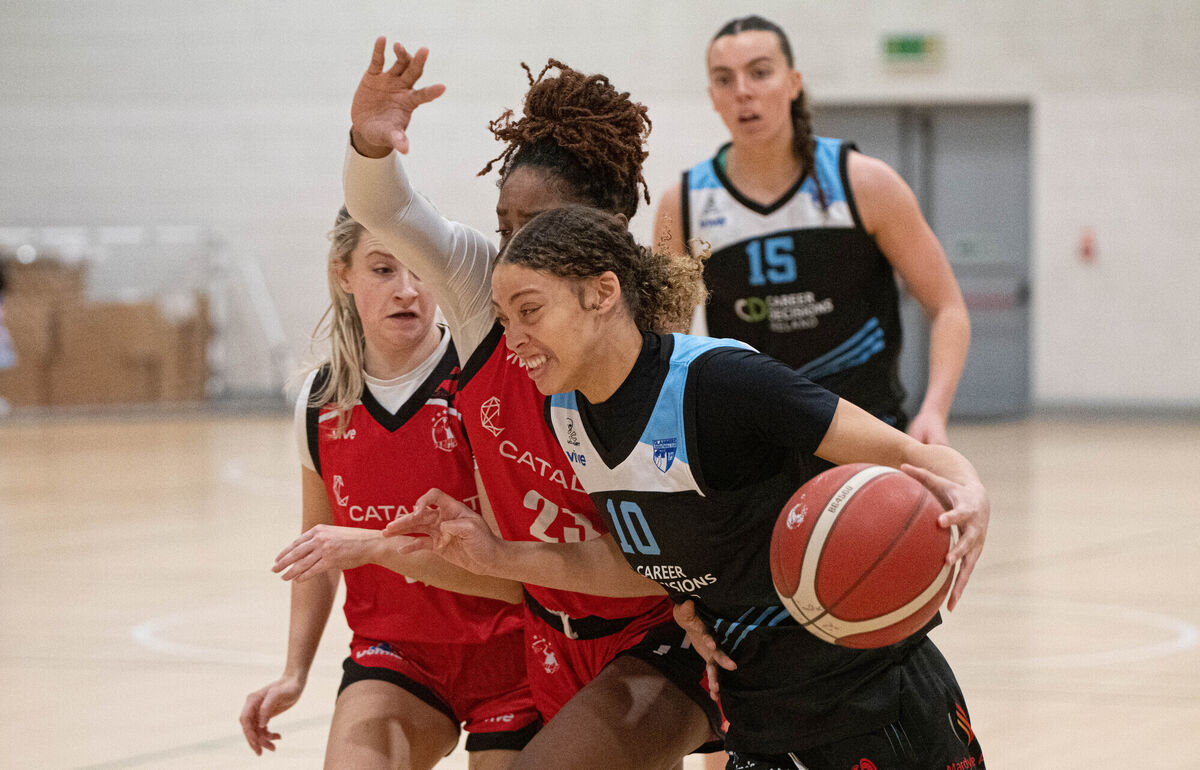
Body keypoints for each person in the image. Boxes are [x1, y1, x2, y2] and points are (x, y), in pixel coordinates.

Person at [393, 205, 989, 770]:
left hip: (870, 693)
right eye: (504, 320)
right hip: (757, 710)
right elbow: (637, 564)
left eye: (530, 311)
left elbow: (908, 453)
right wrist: (495, 555)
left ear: (603, 294)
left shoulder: (721, 382)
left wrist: (970, 493)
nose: (513, 338)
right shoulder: (569, 416)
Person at [277, 39, 721, 770]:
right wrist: (369, 144)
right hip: (546, 622)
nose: (517, 251)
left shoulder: (659, 338)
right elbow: (384, 210)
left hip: (647, 622)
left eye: (542, 231)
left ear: (607, 232)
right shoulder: (487, 289)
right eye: (507, 228)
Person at [240, 209, 540, 769]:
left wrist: (376, 545)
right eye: (382, 269)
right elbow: (320, 547)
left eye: (421, 270)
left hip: (516, 657)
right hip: (396, 658)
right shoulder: (319, 399)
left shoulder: (482, 381)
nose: (406, 291)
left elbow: (514, 580)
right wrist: (294, 671)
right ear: (343, 274)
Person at [654, 14, 970, 446]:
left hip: (870, 432)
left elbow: (948, 306)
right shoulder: (684, 203)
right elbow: (666, 345)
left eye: (760, 72)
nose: (743, 90)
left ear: (793, 82)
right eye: (724, 79)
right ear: (712, 97)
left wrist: (934, 411)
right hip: (754, 445)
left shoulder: (863, 182)